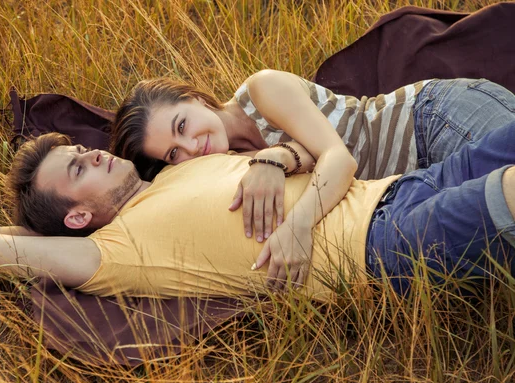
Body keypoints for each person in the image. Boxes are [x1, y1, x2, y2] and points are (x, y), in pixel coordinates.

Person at [0, 120, 515, 299]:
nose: (94, 153)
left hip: (406, 184)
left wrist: (274, 157)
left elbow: (312, 153)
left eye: (82, 150)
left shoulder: (177, 168)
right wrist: (49, 229)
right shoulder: (114, 252)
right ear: (77, 218)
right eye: (79, 169)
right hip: (388, 246)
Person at [111, 70, 515, 284]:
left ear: (196, 99)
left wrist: (300, 223)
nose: (191, 147)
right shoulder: (232, 163)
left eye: (182, 125)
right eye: (172, 153)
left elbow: (339, 158)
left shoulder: (262, 90)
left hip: (431, 120)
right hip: (422, 181)